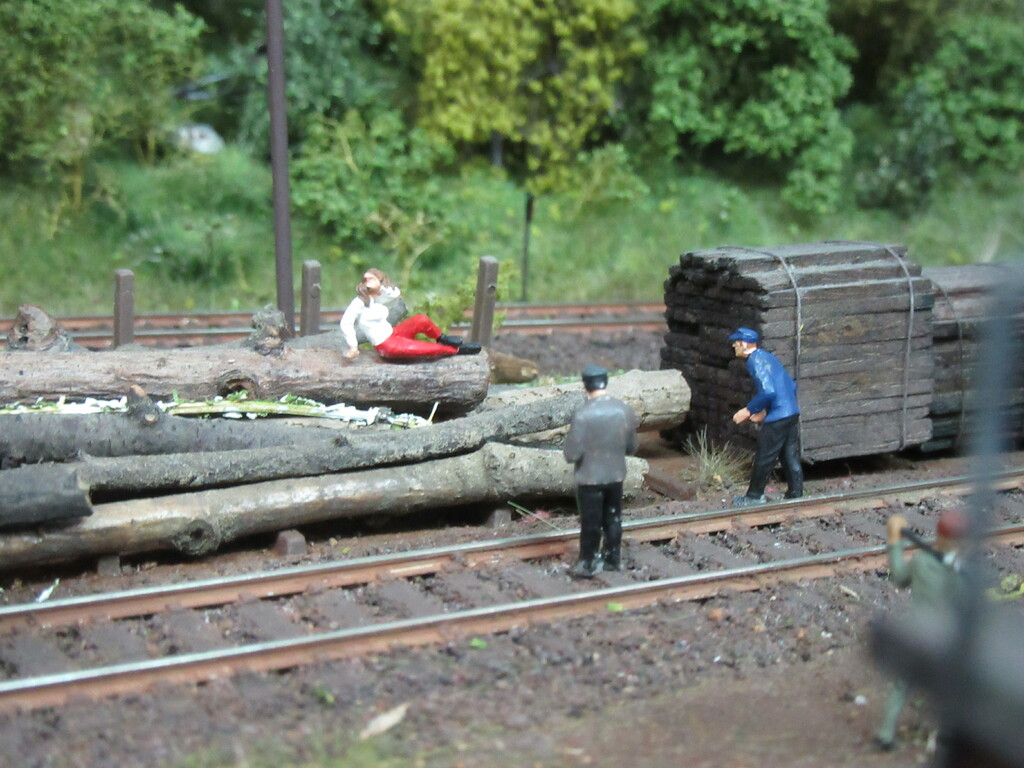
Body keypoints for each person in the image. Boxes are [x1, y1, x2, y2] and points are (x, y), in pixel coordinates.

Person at [875, 509, 968, 750]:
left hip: (917, 633)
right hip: (942, 638)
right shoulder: (960, 573)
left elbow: (899, 577)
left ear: (939, 536)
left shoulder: (921, 561)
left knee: (902, 685)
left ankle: (885, 733)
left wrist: (894, 541)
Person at [563, 364, 639, 578]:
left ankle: (587, 562)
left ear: (586, 385)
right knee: (613, 518)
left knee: (591, 522)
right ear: (605, 382)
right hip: (615, 475)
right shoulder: (623, 410)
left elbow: (571, 454)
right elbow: (632, 447)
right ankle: (612, 559)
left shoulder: (582, 415)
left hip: (590, 478)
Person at [729, 327, 803, 506]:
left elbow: (768, 391)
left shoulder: (754, 361)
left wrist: (748, 410)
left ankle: (755, 496)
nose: (733, 345)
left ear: (745, 344)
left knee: (764, 457)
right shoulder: (768, 357)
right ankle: (796, 493)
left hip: (778, 417)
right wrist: (765, 411)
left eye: (736, 342)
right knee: (790, 456)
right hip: (791, 412)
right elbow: (791, 386)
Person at [340, 269, 481, 361]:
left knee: (421, 320)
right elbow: (346, 322)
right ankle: (455, 350)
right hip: (387, 345)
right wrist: (353, 346)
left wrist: (381, 288)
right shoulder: (359, 303)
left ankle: (442, 338)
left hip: (394, 333)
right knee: (424, 348)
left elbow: (395, 294)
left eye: (375, 279)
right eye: (368, 280)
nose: (372, 282)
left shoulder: (376, 297)